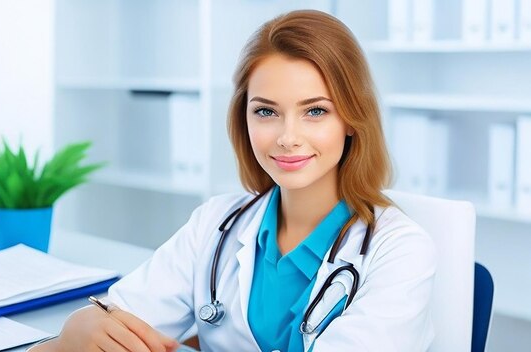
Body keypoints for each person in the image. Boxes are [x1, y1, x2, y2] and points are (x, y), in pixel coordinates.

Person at [31, 9, 436, 352]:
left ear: (351, 119)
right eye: (266, 111)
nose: (287, 137)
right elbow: (122, 320)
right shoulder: (216, 224)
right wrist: (71, 336)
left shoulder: (399, 250)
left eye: (315, 111)